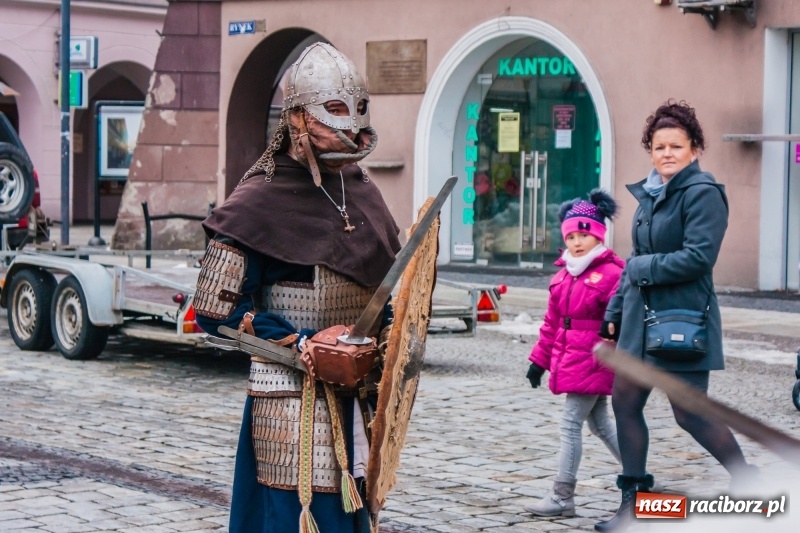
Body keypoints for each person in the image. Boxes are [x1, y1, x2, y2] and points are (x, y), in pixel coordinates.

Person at [194, 42, 401, 533]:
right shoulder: (258, 199)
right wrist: (302, 344)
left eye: (357, 112)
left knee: (355, 515)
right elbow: (213, 309)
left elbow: (384, 298)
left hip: (358, 396)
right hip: (289, 397)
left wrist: (386, 340)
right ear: (298, 119)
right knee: (293, 519)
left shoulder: (362, 189)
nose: (350, 127)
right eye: (334, 113)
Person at [594, 100, 757, 532]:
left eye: (676, 146)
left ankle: (749, 484)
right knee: (624, 403)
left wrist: (639, 269)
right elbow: (637, 259)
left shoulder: (703, 194)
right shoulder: (650, 196)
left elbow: (698, 259)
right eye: (659, 146)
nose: (666, 153)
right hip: (637, 324)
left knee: (690, 415)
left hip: (680, 320)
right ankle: (634, 502)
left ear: (695, 148)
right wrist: (614, 307)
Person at [524, 189, 624, 518]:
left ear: (598, 236)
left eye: (585, 235)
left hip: (596, 359)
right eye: (571, 236)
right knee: (600, 425)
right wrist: (539, 361)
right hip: (573, 360)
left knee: (570, 424)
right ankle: (641, 478)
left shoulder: (612, 274)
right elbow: (552, 323)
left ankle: (562, 497)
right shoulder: (564, 274)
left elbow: (620, 320)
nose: (577, 242)